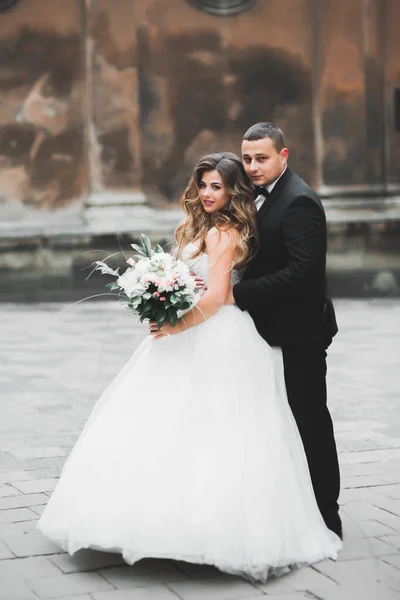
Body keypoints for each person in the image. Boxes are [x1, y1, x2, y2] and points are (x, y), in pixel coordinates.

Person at [37, 152, 341, 582]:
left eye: (217, 186)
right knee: (162, 421)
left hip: (218, 334)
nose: (208, 193)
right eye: (203, 185)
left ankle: (214, 528)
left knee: (216, 427)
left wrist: (176, 325)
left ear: (232, 190)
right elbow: (190, 281)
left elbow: (217, 297)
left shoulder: (226, 233)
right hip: (189, 328)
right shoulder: (200, 228)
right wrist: (161, 293)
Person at [226, 122, 342, 539]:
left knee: (309, 419)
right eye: (248, 159)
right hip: (269, 330)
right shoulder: (258, 198)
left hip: (301, 332)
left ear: (283, 156)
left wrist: (237, 295)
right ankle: (295, 506)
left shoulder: (299, 202)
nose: (253, 167)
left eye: (262, 158)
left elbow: (302, 273)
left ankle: (328, 514)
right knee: (279, 420)